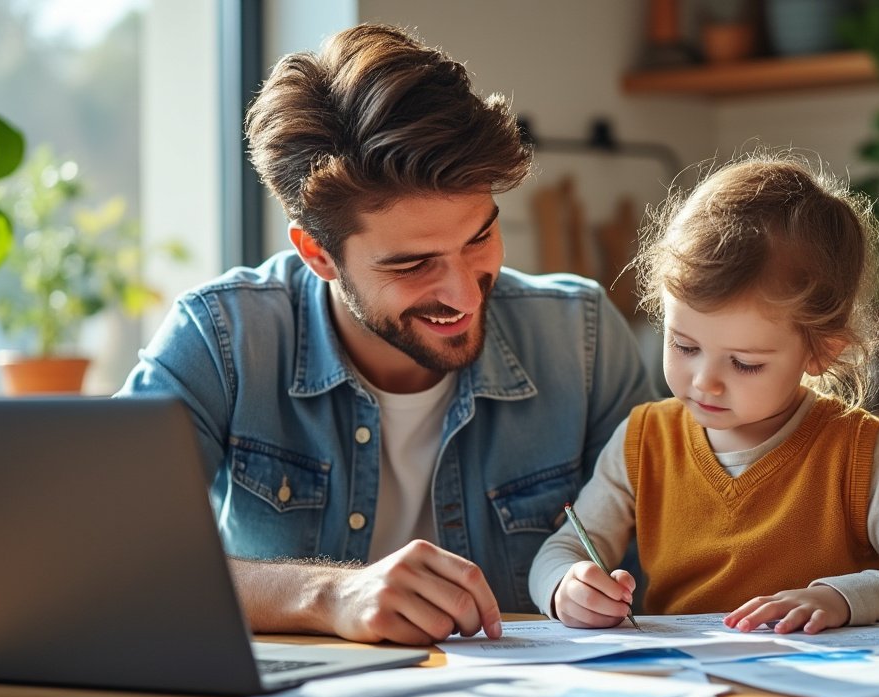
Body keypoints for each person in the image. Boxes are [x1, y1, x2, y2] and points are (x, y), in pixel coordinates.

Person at [118, 23, 657, 646]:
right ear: (318, 253)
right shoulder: (222, 338)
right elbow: (103, 553)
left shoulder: (582, 339)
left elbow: (669, 564)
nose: (462, 293)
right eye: (412, 264)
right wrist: (324, 595)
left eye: (479, 237)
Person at [529, 152, 879, 634]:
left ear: (821, 352)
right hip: (688, 684)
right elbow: (561, 550)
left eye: (744, 362)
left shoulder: (853, 451)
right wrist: (566, 585)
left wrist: (841, 597)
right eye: (683, 345)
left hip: (817, 687)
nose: (704, 380)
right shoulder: (644, 439)